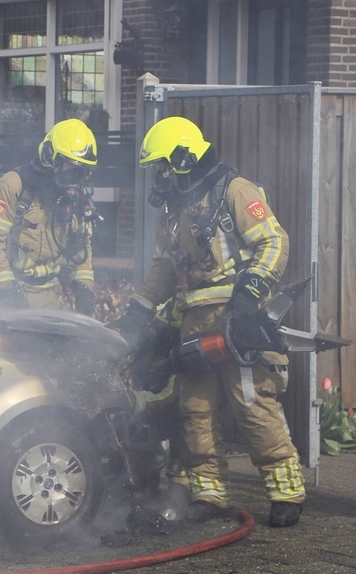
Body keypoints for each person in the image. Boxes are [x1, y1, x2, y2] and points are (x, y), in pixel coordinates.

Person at [111, 116, 305, 528]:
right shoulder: (175, 208)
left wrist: (251, 291)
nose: (159, 176)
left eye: (163, 166)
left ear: (183, 158)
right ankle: (209, 494)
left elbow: (274, 240)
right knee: (195, 410)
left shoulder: (234, 190)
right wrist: (140, 308)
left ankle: (286, 492)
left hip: (238, 323)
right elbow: (166, 266)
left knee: (252, 406)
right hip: (195, 327)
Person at [0, 118, 99, 314]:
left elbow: (81, 250)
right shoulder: (12, 185)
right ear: (51, 157)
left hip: (47, 296)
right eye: (72, 167)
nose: (76, 176)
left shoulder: (76, 197)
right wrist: (6, 288)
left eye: (82, 170)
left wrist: (84, 292)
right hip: (1, 297)